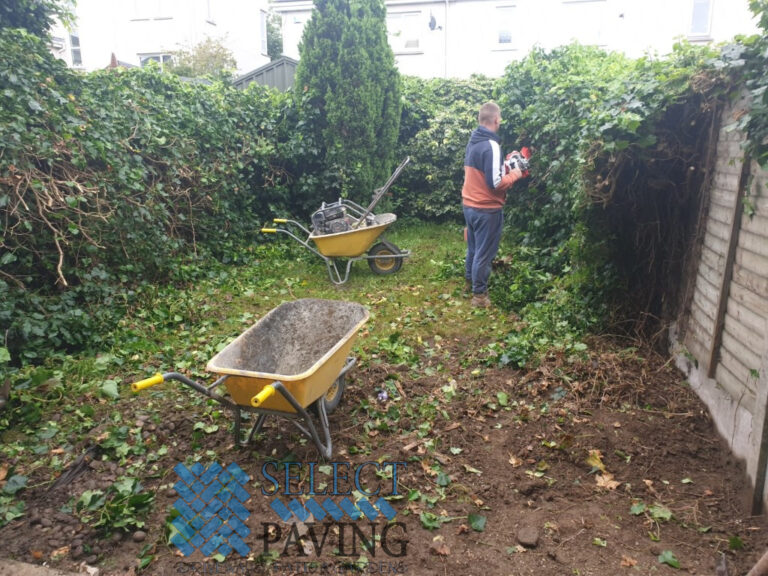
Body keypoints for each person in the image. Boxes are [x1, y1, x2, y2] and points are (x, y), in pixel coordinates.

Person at [462, 101, 525, 308]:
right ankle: (479, 297)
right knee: (484, 253)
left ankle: (470, 283)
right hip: (486, 209)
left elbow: (485, 172)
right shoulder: (492, 145)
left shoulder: (474, 142)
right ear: (496, 120)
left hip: (469, 205)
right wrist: (515, 174)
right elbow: (495, 183)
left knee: (473, 248)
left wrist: (505, 166)